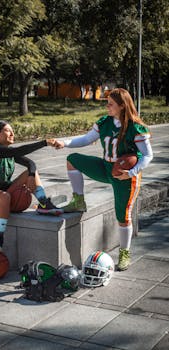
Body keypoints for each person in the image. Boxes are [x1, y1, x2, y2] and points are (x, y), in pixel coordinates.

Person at [49, 88, 153, 271]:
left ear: (122, 106)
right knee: (72, 160)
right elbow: (87, 139)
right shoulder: (105, 122)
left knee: (123, 216)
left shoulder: (135, 127)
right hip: (106, 167)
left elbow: (147, 156)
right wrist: (64, 142)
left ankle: (124, 253)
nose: (107, 106)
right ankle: (78, 201)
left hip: (125, 176)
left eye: (110, 104)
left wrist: (131, 172)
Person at [0, 120, 63, 253]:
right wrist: (44, 143)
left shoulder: (8, 152)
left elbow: (31, 164)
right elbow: (19, 150)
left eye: (12, 131)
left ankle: (44, 203)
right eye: (7, 130)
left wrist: (31, 176)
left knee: (30, 173)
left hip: (5, 190)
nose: (12, 133)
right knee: (4, 197)